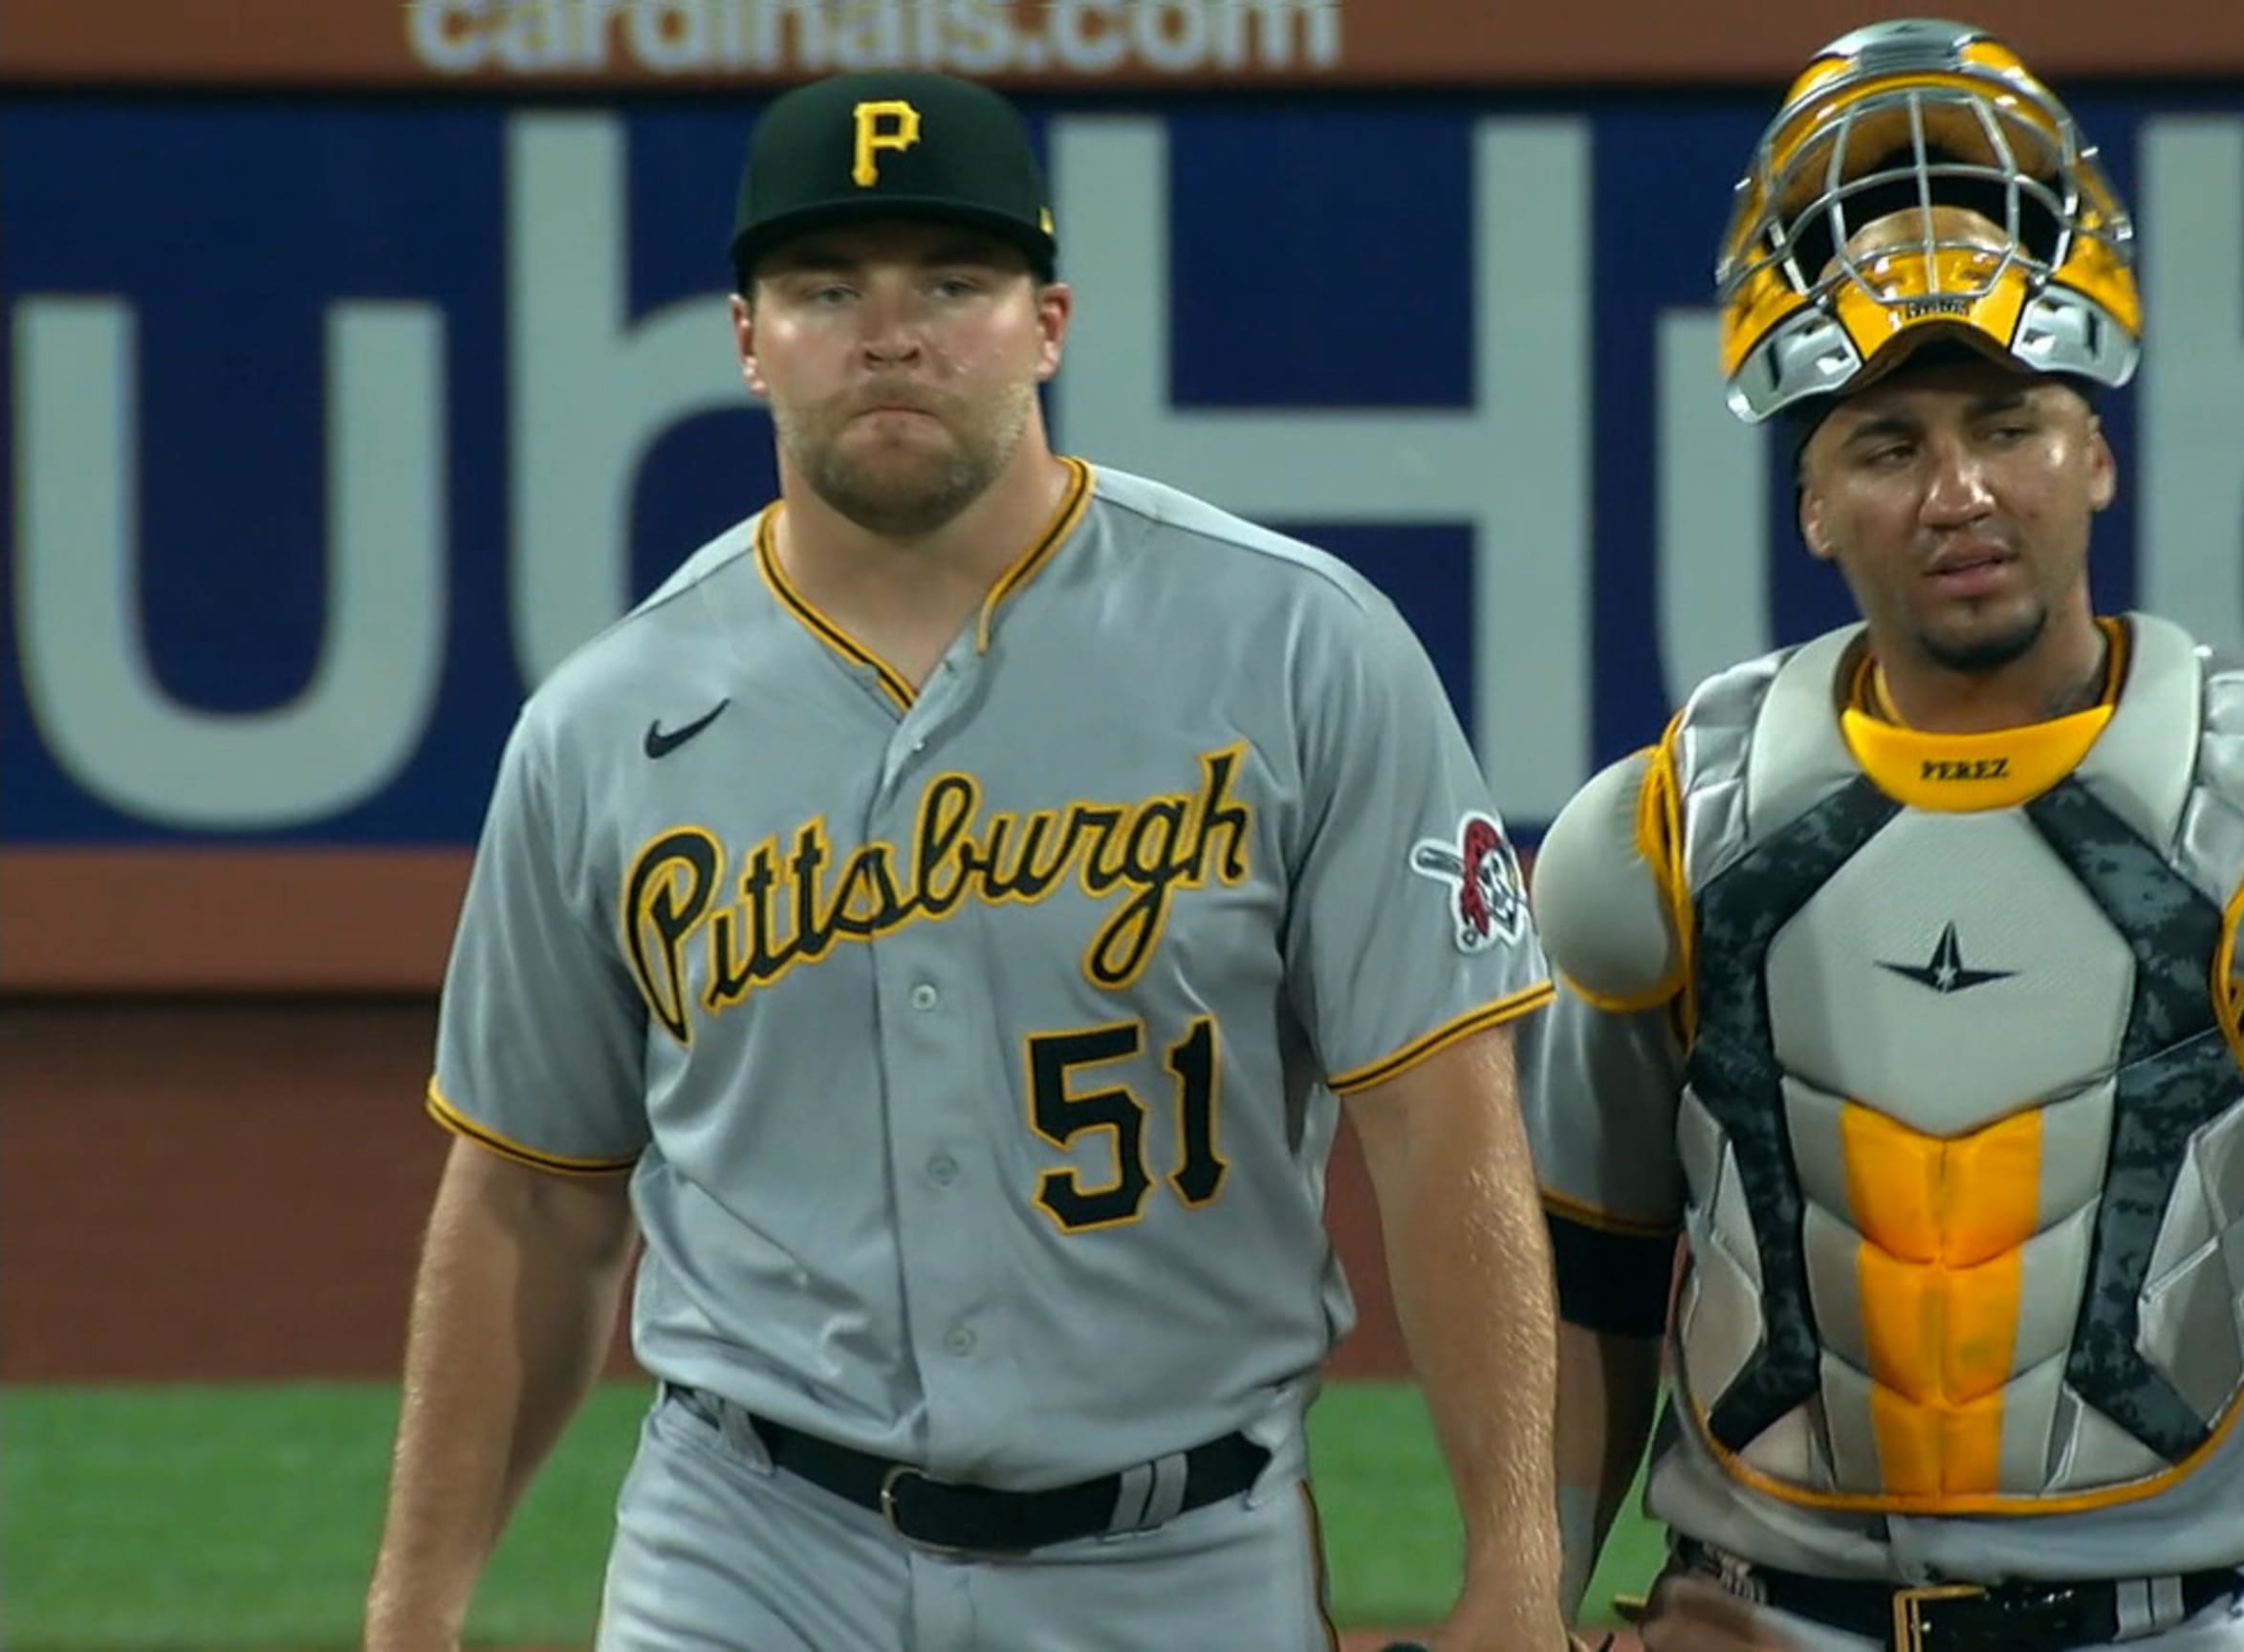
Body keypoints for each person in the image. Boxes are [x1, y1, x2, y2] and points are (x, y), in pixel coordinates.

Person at [362, 69, 1578, 1652]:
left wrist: (1516, 1563)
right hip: (748, 1547)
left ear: (1050, 321)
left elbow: (1442, 1128)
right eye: (824, 289)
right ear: (743, 339)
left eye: (954, 280)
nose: (892, 333)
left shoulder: (1293, 646)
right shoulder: (606, 723)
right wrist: (409, 1614)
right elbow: (528, 1198)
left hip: (1182, 1554)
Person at [1520, 19, 2244, 1652]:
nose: (1959, 494)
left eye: (2007, 424)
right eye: (1888, 445)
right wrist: (1520, 1603)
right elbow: (1586, 1285)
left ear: (2096, 455)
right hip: (1756, 1621)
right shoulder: (1682, 811)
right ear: (1813, 504)